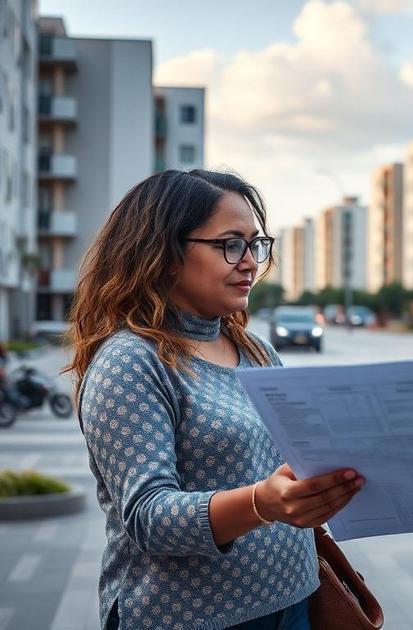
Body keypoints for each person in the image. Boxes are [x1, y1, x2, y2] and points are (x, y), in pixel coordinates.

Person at [67, 170, 366, 630]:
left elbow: (292, 459)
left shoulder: (256, 350)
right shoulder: (131, 362)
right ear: (166, 254)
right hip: (193, 619)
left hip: (295, 601)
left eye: (255, 244)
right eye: (230, 244)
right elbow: (148, 518)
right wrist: (261, 504)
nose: (250, 262)